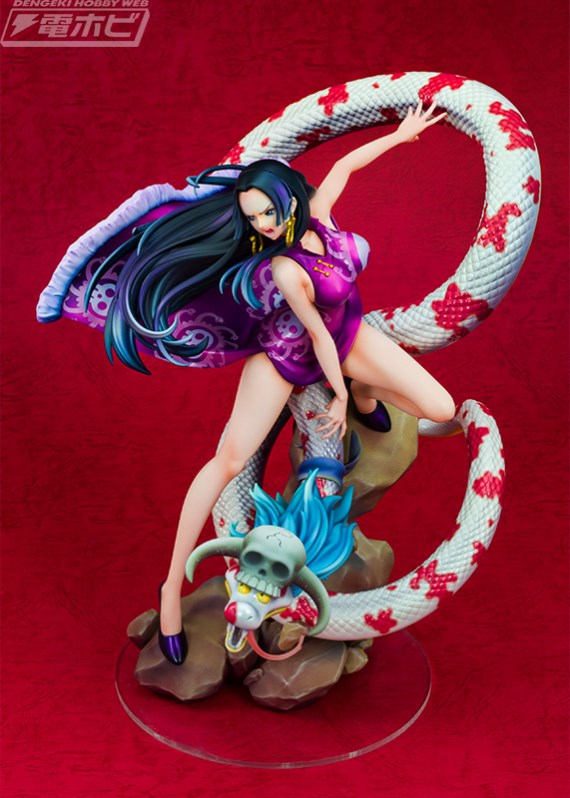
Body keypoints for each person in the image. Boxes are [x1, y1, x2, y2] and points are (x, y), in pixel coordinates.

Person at [39, 101, 454, 665]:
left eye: (267, 212)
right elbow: (315, 336)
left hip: (349, 335)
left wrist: (402, 136)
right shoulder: (284, 265)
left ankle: (365, 392)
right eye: (253, 218)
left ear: (291, 201)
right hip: (288, 355)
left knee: (439, 406)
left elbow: (343, 168)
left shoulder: (320, 219)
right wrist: (334, 395)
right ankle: (170, 589)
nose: (262, 225)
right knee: (229, 460)